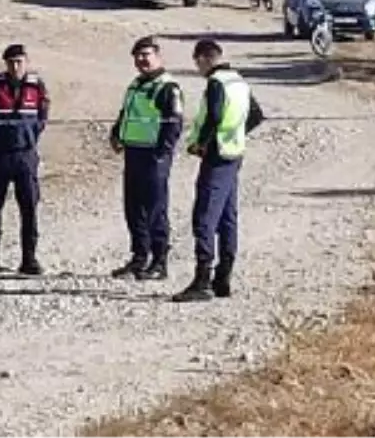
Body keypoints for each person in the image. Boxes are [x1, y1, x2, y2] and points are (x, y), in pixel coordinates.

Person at [172, 39, 266, 302]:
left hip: (216, 156)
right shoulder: (238, 81)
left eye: (197, 63)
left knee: (204, 217)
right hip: (234, 154)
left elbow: (212, 117)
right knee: (227, 217)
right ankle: (222, 278)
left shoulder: (216, 84)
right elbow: (257, 115)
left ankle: (202, 280)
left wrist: (201, 144)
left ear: (203, 59)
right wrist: (236, 134)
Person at [108, 36, 183, 281]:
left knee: (155, 210)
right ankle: (140, 257)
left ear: (157, 56)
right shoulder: (136, 84)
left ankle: (160, 261)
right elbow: (127, 113)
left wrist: (162, 154)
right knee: (133, 208)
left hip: (154, 156)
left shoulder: (167, 87)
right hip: (134, 152)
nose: (141, 60)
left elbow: (174, 124)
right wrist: (117, 133)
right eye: (138, 56)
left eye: (146, 55)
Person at [0, 44, 49, 275]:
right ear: (5, 64)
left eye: (20, 61)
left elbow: (43, 116)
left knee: (29, 206)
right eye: (11, 62)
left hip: (25, 154)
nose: (16, 66)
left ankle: (29, 258)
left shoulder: (37, 86)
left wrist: (29, 137)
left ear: (26, 61)